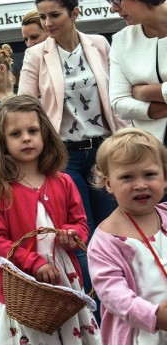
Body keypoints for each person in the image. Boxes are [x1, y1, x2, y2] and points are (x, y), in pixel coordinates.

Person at [18, 0, 128, 313]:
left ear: (74, 13)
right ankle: (95, 312)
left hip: (107, 151)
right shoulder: (36, 56)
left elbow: (116, 94)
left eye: (55, 15)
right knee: (79, 237)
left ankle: (120, 306)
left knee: (114, 233)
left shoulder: (100, 44)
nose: (48, 23)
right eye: (43, 17)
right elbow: (23, 106)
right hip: (65, 156)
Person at [0, 95, 100, 344]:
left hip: (63, 277)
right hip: (22, 283)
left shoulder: (63, 182)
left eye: (32, 130)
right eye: (16, 134)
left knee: (69, 331)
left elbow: (80, 223)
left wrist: (71, 235)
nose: (26, 138)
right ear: (1, 141)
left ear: (44, 133)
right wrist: (32, 262)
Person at [88, 128, 167, 345]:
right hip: (138, 335)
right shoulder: (106, 241)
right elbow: (113, 294)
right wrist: (154, 315)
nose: (140, 184)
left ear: (165, 177)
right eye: (127, 177)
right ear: (109, 183)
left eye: (149, 174)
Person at [103, 0, 167, 143]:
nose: (113, 8)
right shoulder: (121, 41)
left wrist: (144, 92)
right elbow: (119, 102)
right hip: (152, 151)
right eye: (110, 0)